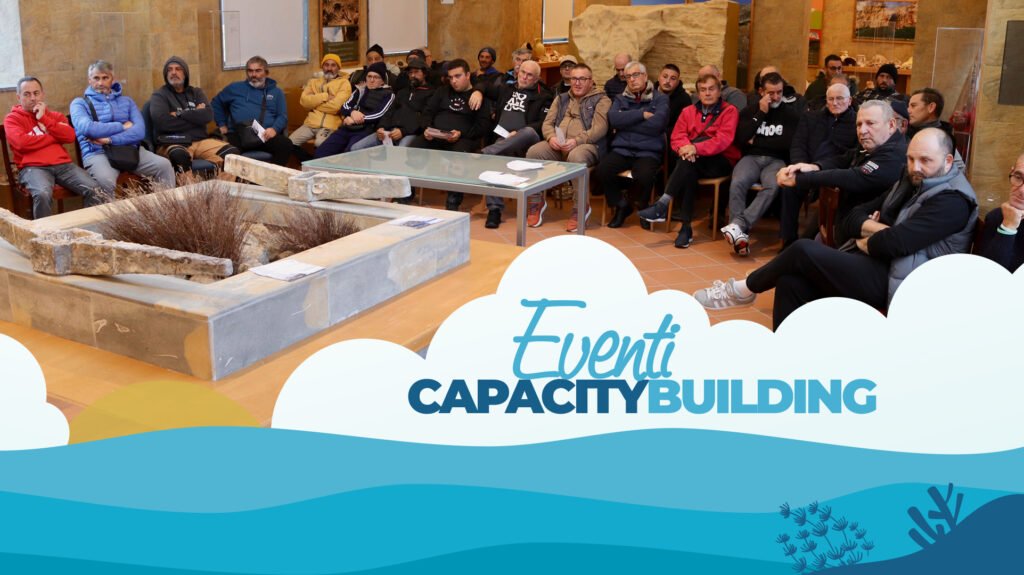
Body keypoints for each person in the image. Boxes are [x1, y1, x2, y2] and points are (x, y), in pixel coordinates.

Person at [694, 128, 978, 330]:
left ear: (948, 161)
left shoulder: (952, 200)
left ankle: (744, 289)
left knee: (803, 249)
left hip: (904, 286)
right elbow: (852, 218)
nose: (915, 166)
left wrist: (871, 236)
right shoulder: (912, 180)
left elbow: (894, 243)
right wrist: (876, 229)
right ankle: (786, 357)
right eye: (911, 158)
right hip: (880, 265)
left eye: (925, 160)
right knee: (791, 281)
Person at [775, 100, 907, 247]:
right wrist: (814, 166)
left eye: (870, 123)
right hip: (842, 217)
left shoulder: (895, 154)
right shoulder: (876, 143)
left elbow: (855, 177)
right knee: (801, 245)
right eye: (859, 125)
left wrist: (800, 179)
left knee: (802, 248)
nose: (862, 130)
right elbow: (845, 158)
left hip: (859, 233)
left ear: (891, 125)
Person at [637, 73, 740, 249]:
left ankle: (664, 207)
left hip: (720, 160)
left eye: (711, 89)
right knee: (688, 167)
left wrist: (695, 148)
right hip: (693, 159)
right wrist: (686, 149)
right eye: (703, 90)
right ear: (698, 93)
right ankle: (685, 228)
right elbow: (677, 137)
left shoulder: (729, 111)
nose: (707, 93)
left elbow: (722, 140)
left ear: (719, 91)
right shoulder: (688, 111)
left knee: (687, 164)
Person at [719, 72, 801, 255]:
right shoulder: (750, 112)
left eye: (779, 92)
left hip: (777, 160)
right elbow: (740, 139)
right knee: (738, 182)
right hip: (751, 158)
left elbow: (786, 144)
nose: (776, 97)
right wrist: (761, 114)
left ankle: (738, 226)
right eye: (771, 93)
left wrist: (756, 141)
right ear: (761, 92)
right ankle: (740, 239)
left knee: (773, 186)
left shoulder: (791, 115)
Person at [525, 63, 611, 231]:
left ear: (591, 81)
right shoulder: (561, 98)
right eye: (574, 79)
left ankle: (580, 208)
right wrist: (551, 137)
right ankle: (536, 202)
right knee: (533, 152)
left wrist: (576, 141)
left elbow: (600, 128)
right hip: (559, 145)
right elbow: (547, 123)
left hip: (587, 146)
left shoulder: (602, 99)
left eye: (582, 79)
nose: (577, 83)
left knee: (576, 157)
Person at [69, 60, 175, 195]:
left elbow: (139, 131)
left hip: (129, 149)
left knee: (164, 166)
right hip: (97, 152)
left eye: (105, 78)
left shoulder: (127, 101)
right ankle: (110, 211)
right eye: (96, 78)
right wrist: (122, 126)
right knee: (105, 181)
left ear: (113, 79)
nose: (100, 83)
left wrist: (109, 140)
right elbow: (88, 129)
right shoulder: (79, 103)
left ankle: (164, 207)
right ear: (89, 80)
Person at [4, 76, 103, 218]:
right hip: (33, 168)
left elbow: (69, 136)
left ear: (42, 94)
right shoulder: (12, 119)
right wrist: (53, 136)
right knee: (42, 194)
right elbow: (21, 143)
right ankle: (44, 232)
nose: (33, 98)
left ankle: (90, 228)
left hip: (63, 166)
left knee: (95, 190)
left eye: (36, 93)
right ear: (18, 97)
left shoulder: (55, 116)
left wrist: (44, 119)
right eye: (27, 94)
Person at [779, 82, 859, 248]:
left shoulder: (857, 122)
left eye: (839, 98)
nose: (835, 103)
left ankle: (808, 244)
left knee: (834, 195)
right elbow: (798, 145)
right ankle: (788, 240)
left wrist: (818, 167)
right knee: (789, 187)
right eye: (831, 99)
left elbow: (850, 156)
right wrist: (800, 165)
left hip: (834, 174)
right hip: (806, 168)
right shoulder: (811, 117)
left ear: (849, 100)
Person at [595, 61, 669, 229]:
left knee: (644, 175)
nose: (632, 79)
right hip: (623, 149)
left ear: (645, 76)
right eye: (628, 76)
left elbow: (657, 125)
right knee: (602, 170)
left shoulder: (660, 98)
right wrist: (642, 114)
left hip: (648, 150)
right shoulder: (621, 98)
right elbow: (614, 120)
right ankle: (622, 205)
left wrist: (627, 120)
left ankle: (642, 205)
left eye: (636, 75)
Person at [480, 60, 553, 228]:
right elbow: (483, 85)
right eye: (523, 72)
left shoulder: (544, 96)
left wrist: (518, 132)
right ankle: (494, 210)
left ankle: (486, 152)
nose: (525, 77)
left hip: (528, 140)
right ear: (517, 72)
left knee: (528, 132)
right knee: (497, 155)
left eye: (530, 75)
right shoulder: (506, 89)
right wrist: (477, 91)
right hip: (503, 140)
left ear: (537, 79)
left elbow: (543, 123)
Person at [410, 58, 492, 210]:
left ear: (468, 75)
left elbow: (483, 126)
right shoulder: (442, 91)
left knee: (459, 155)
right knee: (414, 147)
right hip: (436, 135)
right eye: (450, 77)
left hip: (463, 138)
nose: (453, 81)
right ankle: (406, 194)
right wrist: (426, 128)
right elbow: (427, 112)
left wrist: (461, 133)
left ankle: (453, 201)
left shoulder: (477, 96)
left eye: (457, 76)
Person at [149, 56, 239, 176]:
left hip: (201, 141)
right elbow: (163, 123)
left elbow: (208, 115)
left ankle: (222, 188)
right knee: (178, 156)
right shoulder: (159, 95)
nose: (173, 72)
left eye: (178, 69)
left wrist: (179, 114)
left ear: (185, 73)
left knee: (231, 154)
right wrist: (196, 116)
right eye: (169, 70)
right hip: (173, 142)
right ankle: (190, 188)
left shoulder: (196, 92)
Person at [211, 55, 291, 166]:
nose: (253, 75)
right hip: (237, 134)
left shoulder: (277, 92)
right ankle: (236, 177)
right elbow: (216, 102)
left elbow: (282, 116)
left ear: (266, 73)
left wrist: (274, 129)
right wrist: (221, 123)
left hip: (264, 134)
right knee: (227, 152)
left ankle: (271, 175)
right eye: (250, 71)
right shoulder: (234, 88)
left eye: (258, 71)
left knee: (285, 144)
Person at [314, 62, 395, 157]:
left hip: (366, 130)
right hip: (347, 127)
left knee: (349, 156)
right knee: (321, 152)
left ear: (382, 81)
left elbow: (379, 114)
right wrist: (352, 112)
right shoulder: (360, 90)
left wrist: (355, 120)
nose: (372, 80)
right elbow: (345, 106)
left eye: (376, 77)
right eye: (369, 76)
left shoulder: (389, 94)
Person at [351, 59, 434, 151]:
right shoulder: (402, 92)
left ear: (424, 73)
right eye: (410, 73)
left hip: (411, 133)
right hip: (389, 131)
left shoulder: (431, 93)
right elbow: (390, 111)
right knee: (355, 148)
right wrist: (381, 127)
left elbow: (425, 118)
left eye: (416, 72)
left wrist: (403, 131)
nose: (413, 75)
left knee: (400, 152)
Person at [289, 54, 352, 158]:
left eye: (333, 65)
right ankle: (308, 161)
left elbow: (336, 107)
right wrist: (325, 96)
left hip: (330, 125)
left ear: (338, 68)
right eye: (326, 65)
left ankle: (316, 164)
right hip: (310, 123)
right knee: (289, 143)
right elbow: (304, 101)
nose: (329, 68)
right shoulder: (313, 82)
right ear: (322, 67)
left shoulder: (344, 83)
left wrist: (313, 104)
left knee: (320, 144)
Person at [978, 153, 1024, 272]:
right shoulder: (996, 217)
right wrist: (1008, 227)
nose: (1022, 191)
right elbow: (988, 273)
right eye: (1018, 177)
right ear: (1012, 172)